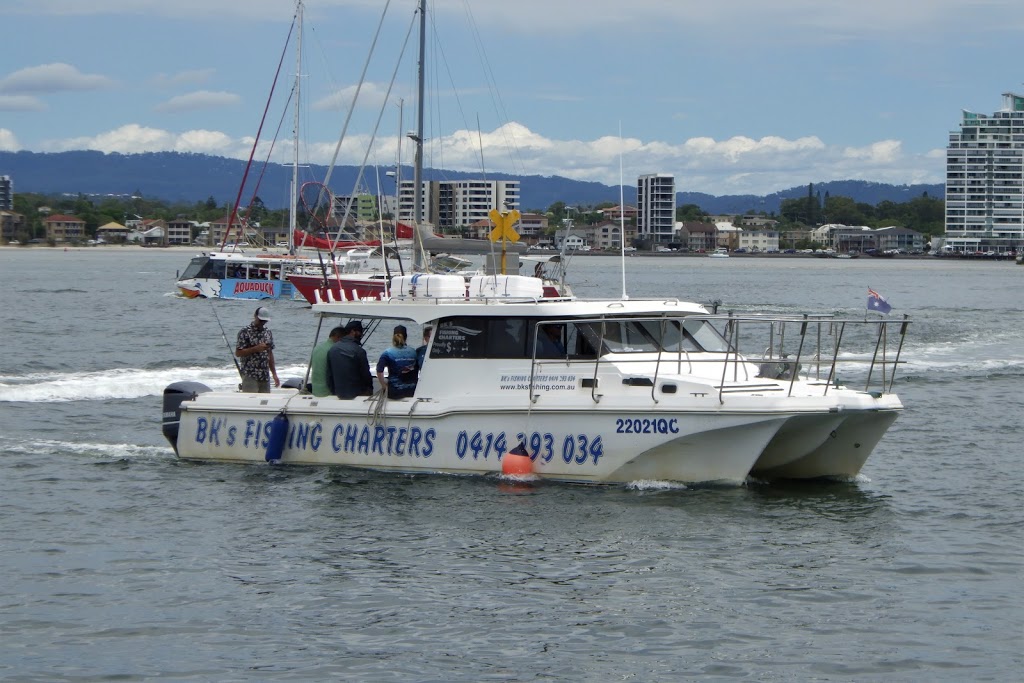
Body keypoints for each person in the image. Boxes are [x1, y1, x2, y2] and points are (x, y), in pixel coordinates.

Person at [235, 306, 279, 393]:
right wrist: (256, 349)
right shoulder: (245, 332)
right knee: (251, 401)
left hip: (264, 375)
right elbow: (238, 353)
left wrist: (274, 374)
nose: (262, 323)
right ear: (255, 316)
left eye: (264, 321)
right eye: (261, 320)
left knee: (265, 402)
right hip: (250, 374)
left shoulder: (268, 332)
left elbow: (270, 354)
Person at [326, 320, 373, 399]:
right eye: (360, 332)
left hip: (338, 392)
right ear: (353, 332)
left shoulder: (333, 349)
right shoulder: (359, 351)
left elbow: (329, 375)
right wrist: (370, 389)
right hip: (356, 393)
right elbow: (366, 375)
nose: (362, 334)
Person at [377, 325, 419, 399]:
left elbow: (379, 371)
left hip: (394, 392)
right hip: (412, 391)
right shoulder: (414, 352)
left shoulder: (387, 353)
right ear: (406, 337)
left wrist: (384, 386)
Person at [309, 325, 345, 397]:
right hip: (327, 391)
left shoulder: (317, 348)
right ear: (338, 337)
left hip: (315, 389)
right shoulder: (335, 350)